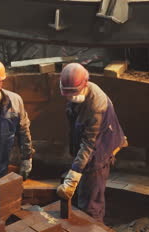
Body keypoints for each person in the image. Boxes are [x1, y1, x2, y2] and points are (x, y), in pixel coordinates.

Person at [56, 63, 128, 223]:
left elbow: (89, 144)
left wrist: (73, 175)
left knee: (90, 205)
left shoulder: (97, 107)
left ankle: (94, 225)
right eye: (66, 94)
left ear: (85, 84)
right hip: (88, 148)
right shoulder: (76, 93)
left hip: (99, 153)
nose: (69, 98)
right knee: (81, 194)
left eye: (72, 93)